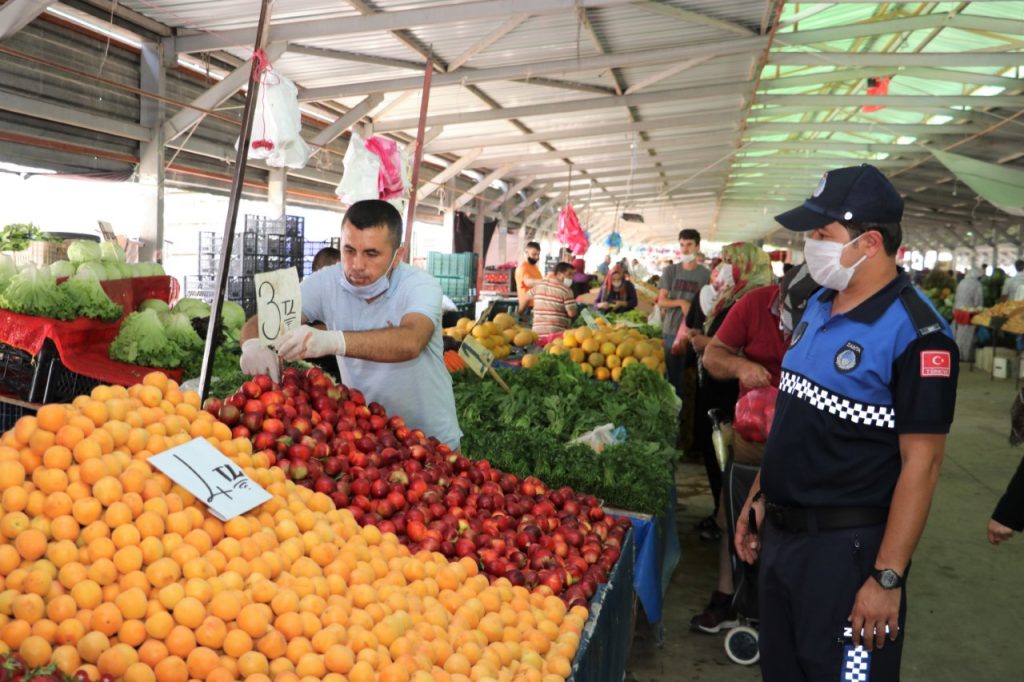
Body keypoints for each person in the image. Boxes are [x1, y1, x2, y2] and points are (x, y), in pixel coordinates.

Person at [733, 164, 959, 681]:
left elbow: (921, 465)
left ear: (869, 242)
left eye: (821, 233)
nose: (810, 243)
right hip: (785, 543)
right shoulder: (815, 305)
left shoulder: (919, 336)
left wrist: (886, 577)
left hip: (848, 554)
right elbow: (793, 415)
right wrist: (760, 496)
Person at [238, 199, 462, 451]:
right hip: (369, 436)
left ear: (397, 255)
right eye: (349, 250)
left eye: (371, 254)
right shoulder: (326, 282)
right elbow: (264, 319)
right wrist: (252, 343)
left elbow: (411, 341)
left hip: (432, 439)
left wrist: (333, 341)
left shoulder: (420, 285)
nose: (357, 265)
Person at [688, 256, 791, 634]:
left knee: (794, 525)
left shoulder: (839, 311)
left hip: (810, 443)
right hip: (755, 434)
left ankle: (783, 612)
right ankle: (727, 597)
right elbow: (714, 353)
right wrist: (739, 368)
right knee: (736, 513)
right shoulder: (753, 304)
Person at [679, 244, 773, 547]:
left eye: (731, 262)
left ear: (748, 265)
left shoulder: (757, 300)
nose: (723, 266)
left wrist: (706, 342)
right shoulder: (730, 296)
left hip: (738, 396)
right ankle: (721, 515)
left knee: (729, 459)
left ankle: (728, 521)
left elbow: (749, 349)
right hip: (715, 386)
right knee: (715, 453)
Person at [658, 229, 710, 398]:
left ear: (697, 246)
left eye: (689, 245)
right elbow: (662, 301)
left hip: (695, 334)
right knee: (673, 379)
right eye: (682, 245)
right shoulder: (670, 271)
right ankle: (675, 418)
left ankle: (686, 415)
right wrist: (681, 303)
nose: (685, 249)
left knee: (692, 378)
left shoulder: (705, 275)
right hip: (672, 332)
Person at [530, 262, 578, 334]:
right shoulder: (566, 290)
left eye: (573, 275)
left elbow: (525, 298)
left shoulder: (539, 286)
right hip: (556, 335)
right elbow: (572, 313)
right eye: (569, 274)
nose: (571, 278)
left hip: (536, 334)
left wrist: (520, 311)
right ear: (558, 274)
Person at [952, 268, 983, 362]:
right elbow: (978, 301)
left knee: (958, 334)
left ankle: (957, 354)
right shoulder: (977, 284)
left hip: (957, 311)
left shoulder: (962, 282)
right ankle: (965, 356)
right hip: (969, 313)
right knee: (968, 335)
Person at [514, 241, 543, 319]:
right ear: (526, 253)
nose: (537, 257)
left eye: (538, 254)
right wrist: (546, 281)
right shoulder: (523, 268)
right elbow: (528, 282)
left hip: (536, 306)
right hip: (526, 307)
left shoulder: (535, 268)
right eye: (534, 254)